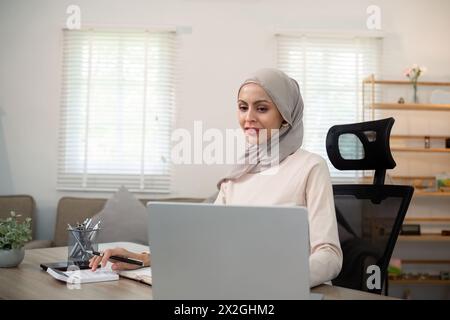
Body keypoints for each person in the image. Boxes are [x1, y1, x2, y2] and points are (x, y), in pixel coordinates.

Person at [90, 68, 343, 288]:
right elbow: (203, 244)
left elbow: (329, 255)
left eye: (262, 108)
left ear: (287, 116)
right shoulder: (238, 175)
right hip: (235, 289)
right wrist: (140, 258)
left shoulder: (311, 167)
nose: (249, 118)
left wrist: (277, 279)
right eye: (243, 107)